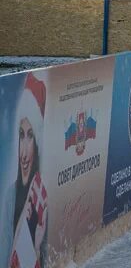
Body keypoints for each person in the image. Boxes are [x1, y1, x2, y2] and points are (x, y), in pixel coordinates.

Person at [11, 72, 48, 267]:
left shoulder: (41, 199)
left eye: (30, 136)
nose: (24, 154)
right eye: (21, 135)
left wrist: (35, 245)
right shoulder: (9, 197)